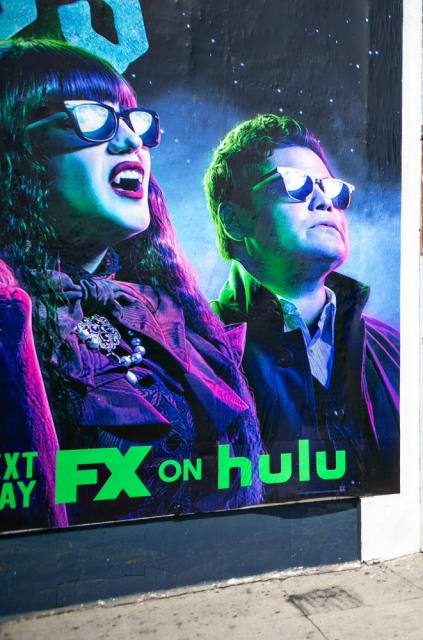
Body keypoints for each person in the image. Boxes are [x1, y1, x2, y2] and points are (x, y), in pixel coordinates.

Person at [0, 39, 264, 529]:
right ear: (14, 154)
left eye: (134, 123)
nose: (131, 143)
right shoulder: (8, 323)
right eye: (93, 118)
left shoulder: (171, 315)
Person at [204, 114, 400, 499]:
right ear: (234, 219)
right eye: (296, 184)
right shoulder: (194, 348)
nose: (325, 200)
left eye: (333, 189)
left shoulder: (392, 347)